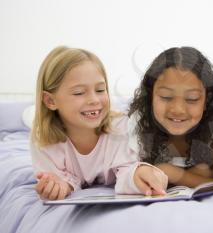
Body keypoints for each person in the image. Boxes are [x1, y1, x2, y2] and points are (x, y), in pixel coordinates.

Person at [31, 46, 168, 200]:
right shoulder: (44, 140)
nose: (94, 100)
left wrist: (139, 174)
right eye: (79, 93)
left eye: (100, 90)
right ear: (50, 100)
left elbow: (126, 172)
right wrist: (59, 186)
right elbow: (59, 180)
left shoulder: (120, 128)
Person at [128, 46, 213, 187]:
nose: (178, 109)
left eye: (192, 99)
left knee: (203, 170)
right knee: (203, 171)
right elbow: (124, 173)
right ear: (150, 95)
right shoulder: (139, 125)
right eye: (166, 97)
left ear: (206, 101)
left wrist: (173, 173)